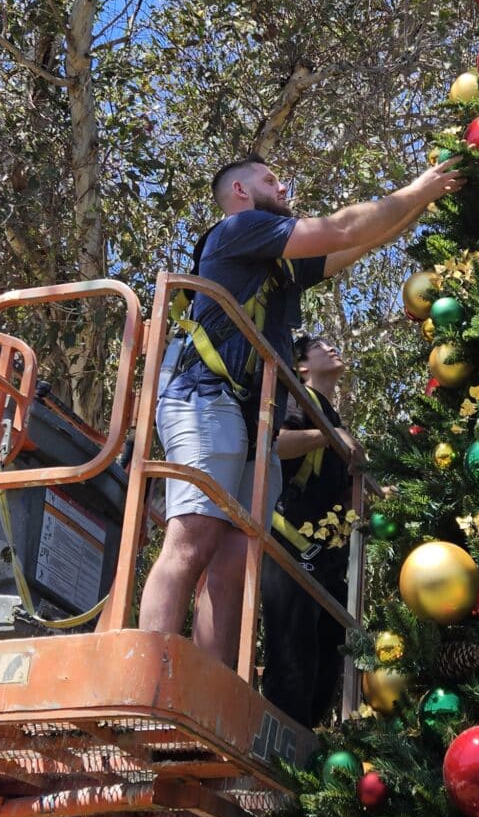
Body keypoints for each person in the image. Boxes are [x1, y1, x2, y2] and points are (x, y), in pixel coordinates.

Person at [138, 156, 460, 666]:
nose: (282, 184)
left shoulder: (276, 260)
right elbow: (342, 226)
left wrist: (421, 201)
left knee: (234, 559)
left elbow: (358, 242)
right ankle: (148, 674)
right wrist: (417, 186)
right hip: (204, 397)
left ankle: (207, 691)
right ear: (240, 191)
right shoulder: (240, 228)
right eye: (270, 179)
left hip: (248, 418)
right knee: (192, 539)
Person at [260, 334, 357, 727]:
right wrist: (329, 438)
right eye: (321, 346)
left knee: (328, 658)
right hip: (291, 542)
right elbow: (276, 444)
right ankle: (280, 745)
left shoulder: (333, 416)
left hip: (328, 557)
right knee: (293, 651)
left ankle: (304, 744)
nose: (333, 348)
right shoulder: (300, 402)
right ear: (301, 366)